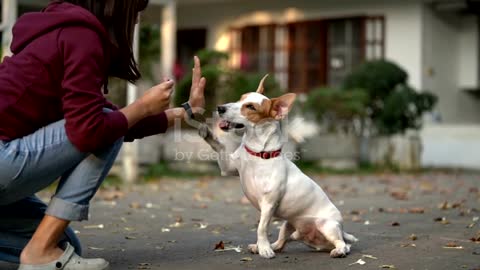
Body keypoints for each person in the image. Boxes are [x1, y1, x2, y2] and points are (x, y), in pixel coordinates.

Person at [0, 0, 206, 269]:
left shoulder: (64, 31)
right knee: (103, 125)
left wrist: (185, 112)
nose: (134, 22)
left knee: (64, 247)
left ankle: (41, 249)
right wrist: (141, 106)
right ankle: (38, 251)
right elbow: (91, 131)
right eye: (135, 12)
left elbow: (112, 121)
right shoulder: (81, 35)